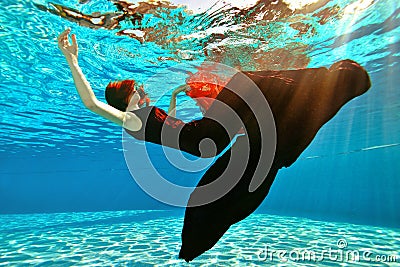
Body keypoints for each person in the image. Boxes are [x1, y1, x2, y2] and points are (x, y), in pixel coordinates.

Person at [58, 29, 371, 261]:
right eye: (136, 89)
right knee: (246, 87)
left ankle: (322, 92)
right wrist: (72, 59)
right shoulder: (131, 119)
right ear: (126, 100)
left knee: (259, 119)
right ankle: (331, 84)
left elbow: (172, 124)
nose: (142, 89)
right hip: (199, 139)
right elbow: (91, 104)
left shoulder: (143, 116)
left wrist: (180, 95)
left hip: (200, 138)